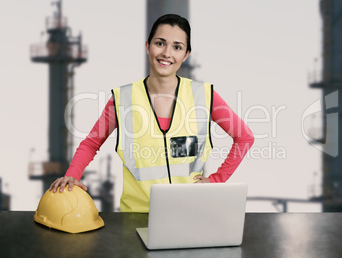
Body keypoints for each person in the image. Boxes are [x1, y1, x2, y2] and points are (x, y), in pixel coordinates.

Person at [49, 14, 254, 212]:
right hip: (136, 217)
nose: (167, 53)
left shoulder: (205, 96)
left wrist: (216, 181)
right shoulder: (123, 99)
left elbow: (244, 137)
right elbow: (91, 143)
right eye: (160, 43)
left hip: (191, 213)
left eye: (177, 47)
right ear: (148, 46)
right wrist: (72, 175)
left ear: (186, 55)